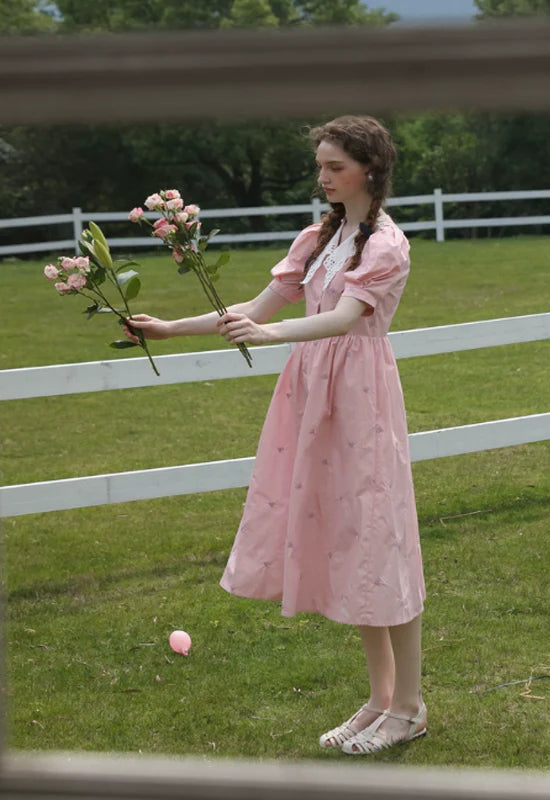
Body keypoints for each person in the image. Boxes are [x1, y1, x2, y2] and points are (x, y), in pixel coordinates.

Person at [124, 115, 426, 754]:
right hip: (313, 391)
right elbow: (257, 308)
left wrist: (271, 337)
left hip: (360, 396)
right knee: (347, 543)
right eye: (320, 165)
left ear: (369, 170)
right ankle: (378, 698)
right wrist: (173, 328)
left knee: (378, 538)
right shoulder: (319, 237)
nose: (323, 177)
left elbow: (346, 317)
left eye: (335, 166)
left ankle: (409, 705)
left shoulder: (386, 245)